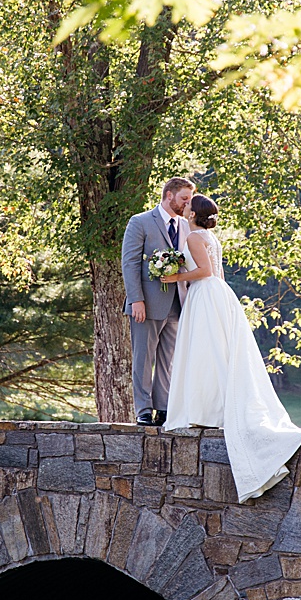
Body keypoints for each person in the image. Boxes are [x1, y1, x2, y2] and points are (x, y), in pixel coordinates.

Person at [159, 194, 301, 502]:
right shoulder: (209, 236)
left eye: (189, 204)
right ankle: (211, 405)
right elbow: (217, 273)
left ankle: (207, 409)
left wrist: (176, 276)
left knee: (205, 353)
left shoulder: (192, 238)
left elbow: (203, 272)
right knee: (215, 351)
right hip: (219, 293)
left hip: (205, 293)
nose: (185, 206)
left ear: (193, 213)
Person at [121, 177, 195, 426]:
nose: (187, 203)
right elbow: (130, 263)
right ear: (169, 195)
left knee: (168, 358)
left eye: (190, 199)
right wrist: (136, 300)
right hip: (147, 304)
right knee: (143, 358)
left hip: (178, 302)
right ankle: (143, 409)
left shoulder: (187, 226)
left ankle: (163, 408)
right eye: (184, 198)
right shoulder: (140, 222)